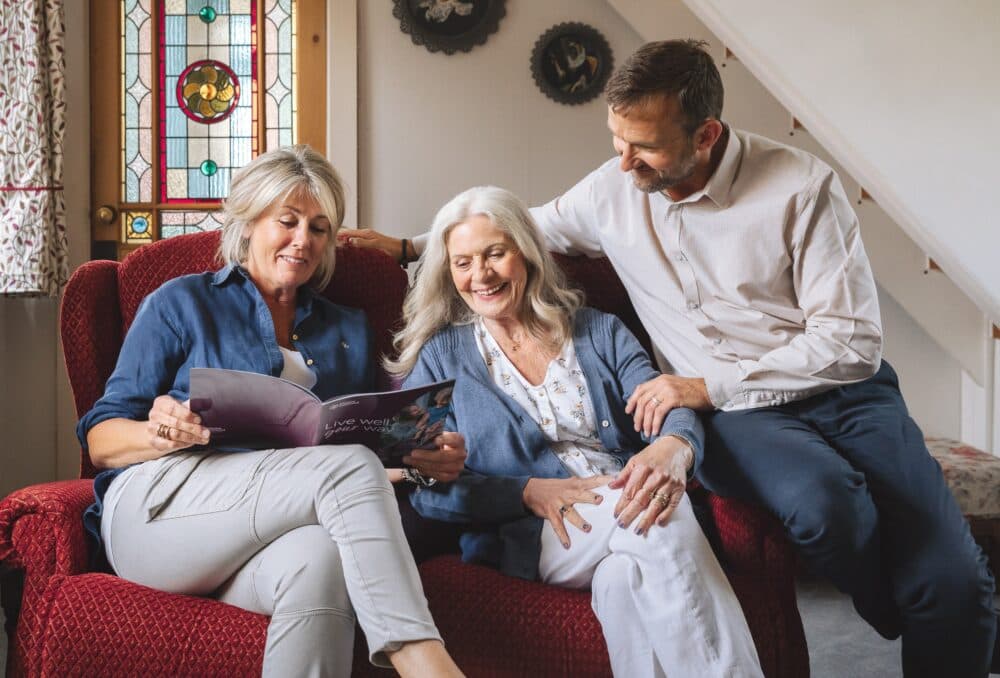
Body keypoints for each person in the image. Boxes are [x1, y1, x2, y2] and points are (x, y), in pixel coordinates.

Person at [341, 40, 998, 678]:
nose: (625, 165)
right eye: (616, 142)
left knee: (955, 583)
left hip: (837, 392)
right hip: (743, 418)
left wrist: (693, 405)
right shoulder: (608, 192)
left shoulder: (800, 186)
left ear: (706, 135)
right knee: (823, 505)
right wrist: (406, 246)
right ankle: (912, 607)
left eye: (645, 147)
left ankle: (938, 608)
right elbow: (509, 230)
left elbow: (849, 343)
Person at [79, 145, 466, 678]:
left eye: (319, 228)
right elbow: (100, 440)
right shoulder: (181, 302)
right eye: (287, 221)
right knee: (347, 465)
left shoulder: (347, 328)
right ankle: (424, 662)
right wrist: (161, 433)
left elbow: (354, 454)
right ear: (248, 220)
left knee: (323, 560)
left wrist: (419, 459)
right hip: (160, 515)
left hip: (273, 534)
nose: (303, 240)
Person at [387, 185, 763, 677]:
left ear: (525, 251)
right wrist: (524, 492)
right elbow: (419, 484)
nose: (480, 275)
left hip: (618, 499)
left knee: (623, 581)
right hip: (534, 533)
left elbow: (666, 399)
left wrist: (674, 445)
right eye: (462, 262)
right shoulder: (439, 356)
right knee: (656, 515)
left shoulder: (598, 330)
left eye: (495, 253)